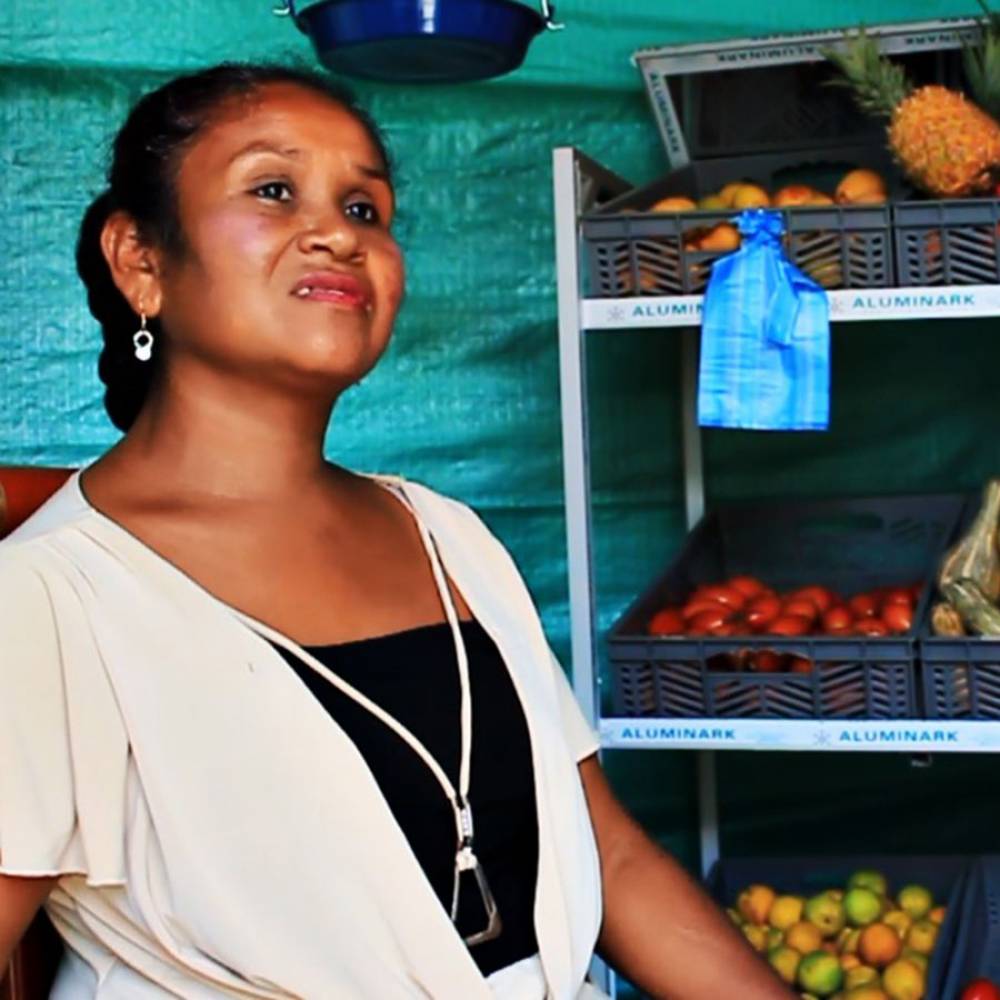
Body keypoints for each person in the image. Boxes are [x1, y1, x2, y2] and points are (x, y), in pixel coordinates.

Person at [0, 64, 794, 999]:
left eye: (366, 209)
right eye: (272, 189)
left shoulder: (446, 535)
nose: (337, 232)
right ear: (140, 259)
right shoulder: (47, 597)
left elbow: (609, 859)